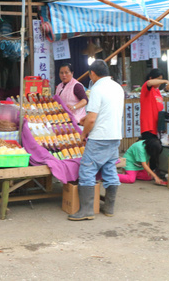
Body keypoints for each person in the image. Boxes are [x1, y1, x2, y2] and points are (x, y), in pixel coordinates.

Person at [69, 59, 124, 221]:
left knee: (87, 170)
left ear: (92, 74)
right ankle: (109, 208)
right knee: (109, 169)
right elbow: (105, 111)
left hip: (99, 136)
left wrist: (83, 134)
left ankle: (86, 211)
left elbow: (92, 119)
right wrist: (84, 119)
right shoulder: (117, 87)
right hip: (114, 135)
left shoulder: (97, 89)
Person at [140, 69, 169, 141]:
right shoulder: (146, 88)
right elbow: (149, 82)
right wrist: (165, 81)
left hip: (157, 125)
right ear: (151, 78)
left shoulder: (157, 91)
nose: (160, 82)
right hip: (148, 126)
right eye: (158, 79)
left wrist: (166, 89)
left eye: (161, 79)